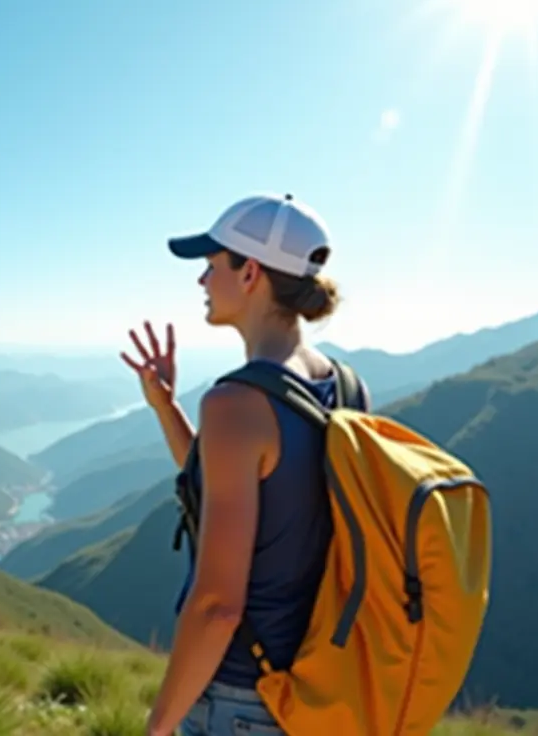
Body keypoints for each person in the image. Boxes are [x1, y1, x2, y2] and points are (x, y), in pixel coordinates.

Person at [121, 192, 372, 736]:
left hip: (237, 702)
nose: (202, 282)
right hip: (310, 691)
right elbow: (250, 488)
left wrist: (158, 725)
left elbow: (217, 607)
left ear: (251, 271)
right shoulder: (345, 386)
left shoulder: (237, 404)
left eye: (212, 266)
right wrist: (167, 408)